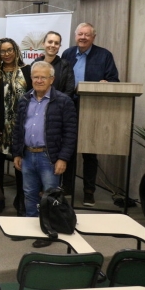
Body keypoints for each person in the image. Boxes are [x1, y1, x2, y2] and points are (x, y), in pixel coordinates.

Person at [12, 61, 77, 248]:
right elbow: (18, 129)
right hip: (27, 155)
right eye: (35, 77)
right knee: (29, 194)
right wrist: (17, 153)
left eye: (43, 77)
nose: (39, 80)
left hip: (49, 157)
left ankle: (49, 231)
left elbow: (70, 133)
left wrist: (63, 158)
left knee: (50, 196)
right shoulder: (24, 99)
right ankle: (30, 228)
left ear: (52, 79)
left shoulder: (64, 101)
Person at [62, 22, 119, 206]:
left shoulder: (104, 55)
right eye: (80, 34)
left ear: (93, 37)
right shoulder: (67, 54)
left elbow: (114, 80)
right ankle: (67, 188)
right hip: (69, 107)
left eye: (87, 35)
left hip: (92, 109)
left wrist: (107, 83)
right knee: (68, 149)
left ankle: (89, 191)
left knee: (89, 152)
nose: (83, 37)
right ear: (75, 36)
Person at [0, 38, 32, 215]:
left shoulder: (27, 71)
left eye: (10, 50)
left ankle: (21, 199)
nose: (7, 54)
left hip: (21, 127)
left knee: (20, 164)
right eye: (3, 51)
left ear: (16, 50)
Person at [33, 31, 75, 97]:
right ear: (43, 44)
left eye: (56, 43)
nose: (53, 45)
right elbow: (30, 88)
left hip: (60, 102)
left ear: (59, 46)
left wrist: (58, 102)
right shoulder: (34, 65)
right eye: (50, 42)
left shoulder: (66, 66)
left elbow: (69, 90)